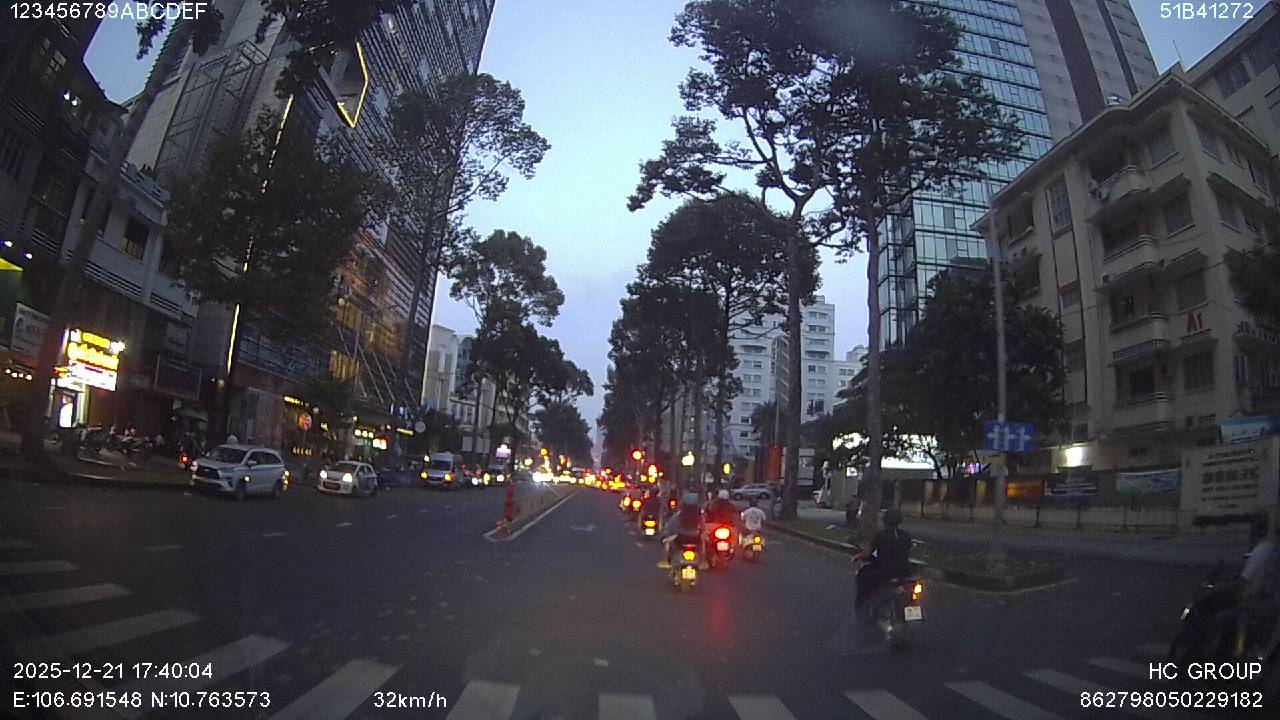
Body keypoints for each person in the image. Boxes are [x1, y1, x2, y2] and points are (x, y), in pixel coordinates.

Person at [853, 509, 912, 610]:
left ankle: (862, 606)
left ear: (885, 521)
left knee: (863, 578)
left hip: (885, 571)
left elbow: (867, 553)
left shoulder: (880, 535)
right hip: (904, 571)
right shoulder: (906, 535)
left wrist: (858, 556)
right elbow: (907, 552)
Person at [661, 492, 705, 567]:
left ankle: (666, 561)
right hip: (695, 539)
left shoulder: (679, 515)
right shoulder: (699, 516)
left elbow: (671, 527)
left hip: (681, 538)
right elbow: (703, 528)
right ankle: (703, 561)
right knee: (703, 543)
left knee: (667, 542)